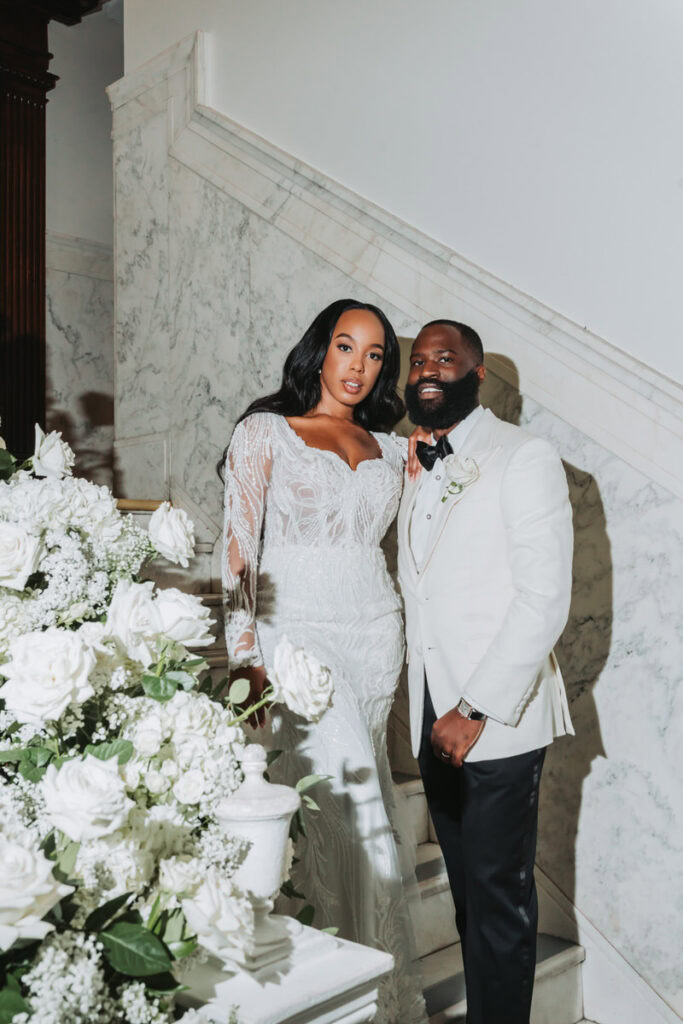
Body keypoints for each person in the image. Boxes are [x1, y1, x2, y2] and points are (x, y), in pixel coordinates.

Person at [220, 299, 428, 1024]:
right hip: (294, 629)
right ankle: (341, 988)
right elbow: (239, 546)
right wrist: (244, 653)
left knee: (356, 787)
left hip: (374, 631)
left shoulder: (392, 446)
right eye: (346, 347)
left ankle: (372, 986)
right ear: (320, 350)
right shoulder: (265, 432)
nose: (358, 367)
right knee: (346, 800)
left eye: (375, 355)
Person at [397, 319, 574, 1024]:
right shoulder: (420, 459)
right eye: (417, 361)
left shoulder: (522, 455)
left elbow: (544, 599)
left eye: (445, 357)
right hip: (429, 720)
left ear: (475, 375)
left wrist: (471, 709)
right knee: (468, 896)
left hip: (492, 721)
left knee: (497, 901)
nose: (427, 369)